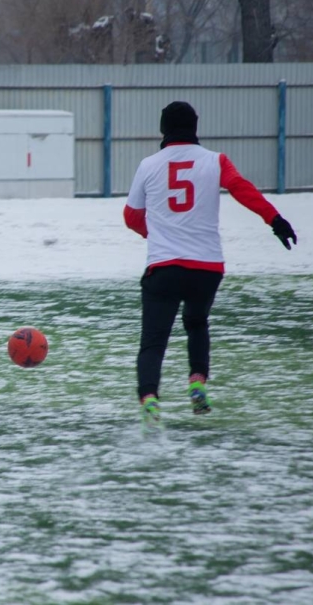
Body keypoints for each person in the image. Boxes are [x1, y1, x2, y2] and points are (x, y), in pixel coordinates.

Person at [124, 101, 297, 432]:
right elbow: (242, 189)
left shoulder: (148, 165)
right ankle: (198, 383)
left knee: (153, 340)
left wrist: (157, 233)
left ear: (163, 129)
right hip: (207, 267)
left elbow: (131, 217)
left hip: (164, 267)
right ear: (195, 127)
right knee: (197, 322)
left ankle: (149, 399)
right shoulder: (216, 161)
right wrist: (274, 219)